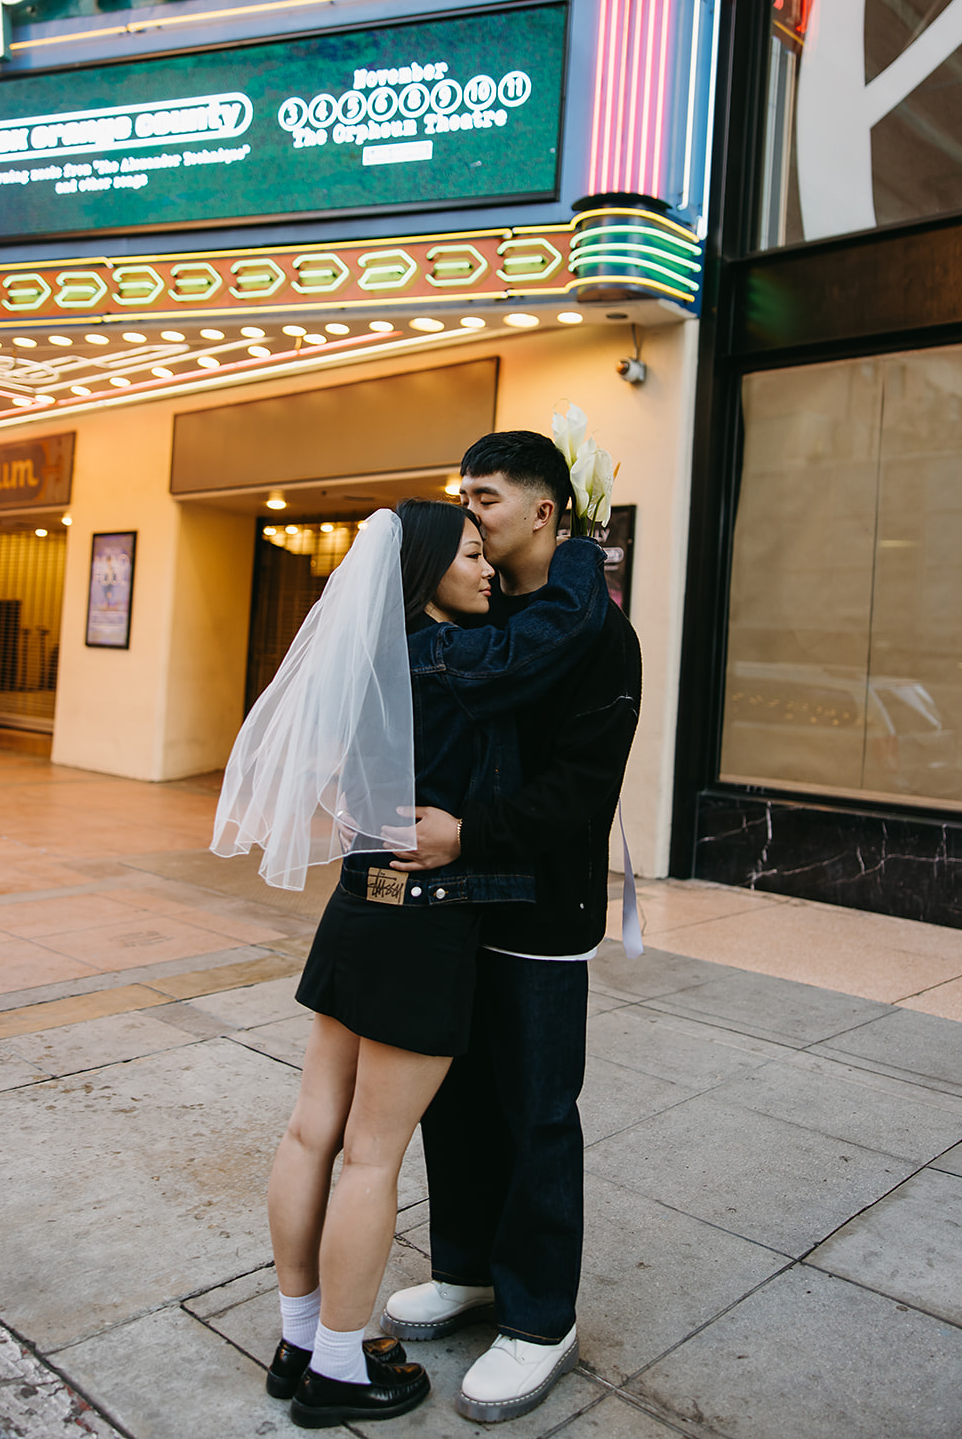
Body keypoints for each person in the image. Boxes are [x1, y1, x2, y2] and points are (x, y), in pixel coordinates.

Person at [213, 499, 609, 1429]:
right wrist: (584, 551)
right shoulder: (452, 662)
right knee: (372, 1155)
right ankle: (344, 1367)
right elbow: (555, 627)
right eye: (470, 555)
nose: (488, 569)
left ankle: (299, 1335)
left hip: (354, 911)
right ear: (425, 569)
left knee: (312, 1131)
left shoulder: (369, 662)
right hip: (423, 929)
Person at [382, 432, 642, 1424]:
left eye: (484, 496)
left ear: (544, 511)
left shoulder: (595, 634)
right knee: (454, 1100)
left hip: (537, 907)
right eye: (462, 494)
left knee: (535, 1107)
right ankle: (467, 1270)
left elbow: (579, 793)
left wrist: (467, 835)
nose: (468, 513)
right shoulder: (478, 609)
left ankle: (540, 1316)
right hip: (452, 901)